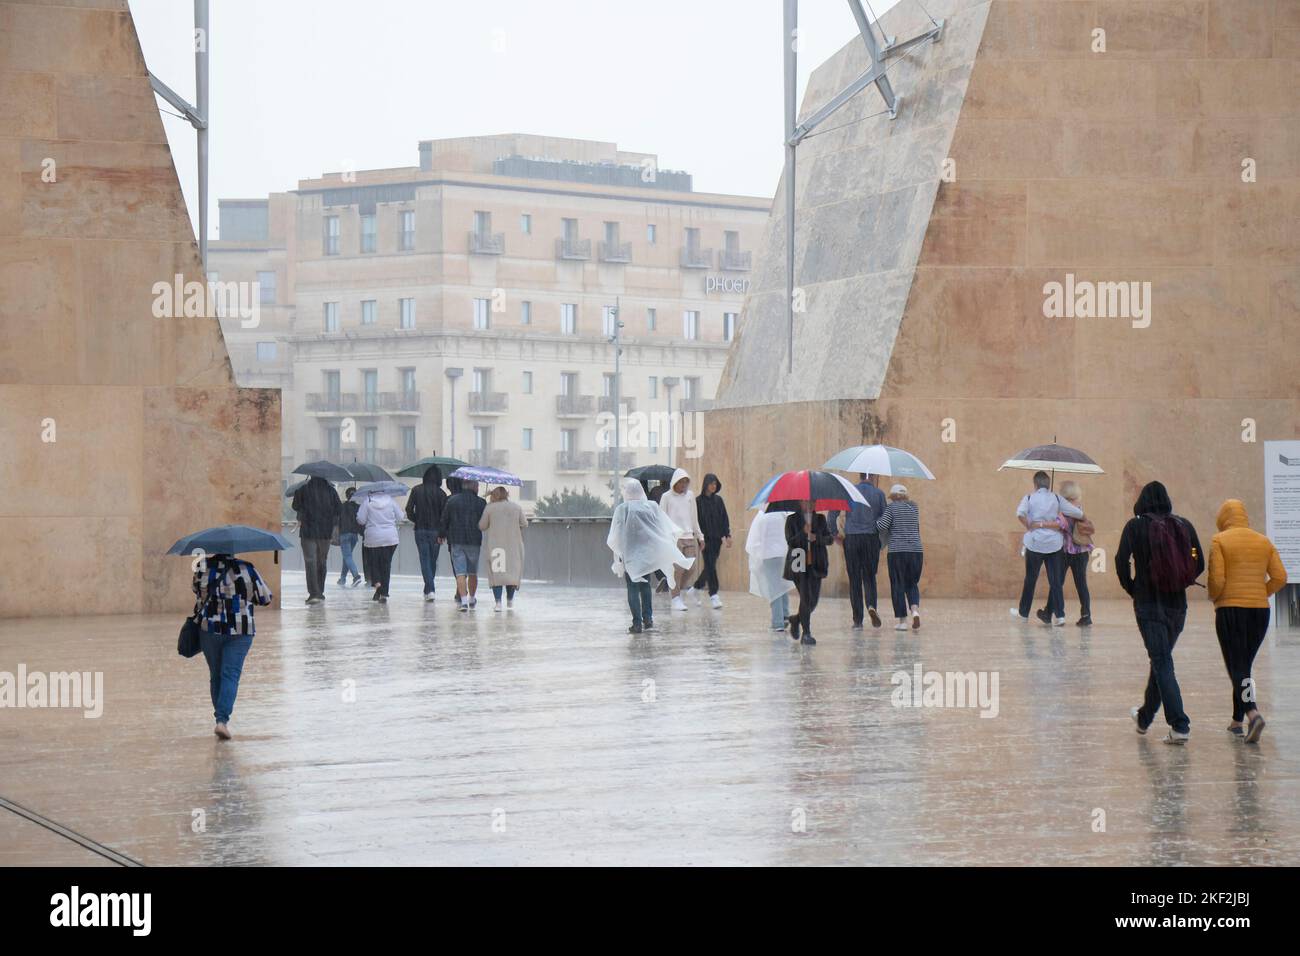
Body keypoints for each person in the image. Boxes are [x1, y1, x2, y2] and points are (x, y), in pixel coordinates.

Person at [1117, 480, 1204, 745]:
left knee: (1162, 661)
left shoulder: (1135, 526)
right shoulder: (1184, 525)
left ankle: (1180, 724)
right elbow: (1198, 560)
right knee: (1161, 659)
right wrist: (1180, 581)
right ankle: (1144, 717)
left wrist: (1133, 587)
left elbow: (1121, 561)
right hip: (1177, 607)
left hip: (1148, 605)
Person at [1207, 498, 1287, 743]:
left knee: (1237, 665)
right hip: (1260, 612)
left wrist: (1214, 595)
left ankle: (1253, 713)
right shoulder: (1263, 541)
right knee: (1243, 665)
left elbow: (1218, 580)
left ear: (1223, 518)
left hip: (1231, 609)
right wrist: (1261, 593)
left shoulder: (1219, 540)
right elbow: (1280, 576)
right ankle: (1236, 721)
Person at [192, 553, 273, 740]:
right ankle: (222, 721)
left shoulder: (201, 568)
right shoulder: (246, 568)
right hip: (240, 630)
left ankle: (220, 719)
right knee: (230, 674)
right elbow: (265, 598)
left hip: (210, 629)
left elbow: (196, 592)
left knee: (216, 675)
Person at [608, 478, 692, 634]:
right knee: (645, 585)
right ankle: (648, 619)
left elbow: (616, 534)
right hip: (646, 553)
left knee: (633, 587)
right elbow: (661, 526)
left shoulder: (622, 509)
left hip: (630, 553)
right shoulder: (651, 507)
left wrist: (618, 556)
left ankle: (636, 623)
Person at [1012, 471, 1082, 626]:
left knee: (1030, 579)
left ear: (1035, 484)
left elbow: (1020, 513)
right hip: (1054, 545)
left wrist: (1028, 525)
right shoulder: (1057, 497)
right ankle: (1060, 616)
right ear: (1048, 484)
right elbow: (1077, 512)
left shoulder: (1029, 497)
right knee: (1056, 581)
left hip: (1035, 543)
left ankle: (1023, 614)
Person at [828, 473, 888, 629]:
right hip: (870, 538)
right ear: (873, 476)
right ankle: (871, 605)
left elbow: (832, 515)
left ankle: (857, 620)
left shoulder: (848, 491)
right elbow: (885, 519)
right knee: (869, 577)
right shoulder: (879, 494)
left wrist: (835, 534)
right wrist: (880, 539)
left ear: (860, 476)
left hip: (852, 539)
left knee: (854, 579)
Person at [1041, 481, 1095, 626]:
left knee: (1057, 583)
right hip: (1082, 552)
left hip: (1064, 552)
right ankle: (1086, 615)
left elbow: (1061, 526)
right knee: (1081, 584)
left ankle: (1048, 612)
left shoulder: (1062, 511)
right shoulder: (1079, 509)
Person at [783, 500, 833, 645]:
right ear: (800, 502)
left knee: (813, 600)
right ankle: (807, 633)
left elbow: (829, 539)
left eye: (813, 502)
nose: (810, 505)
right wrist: (802, 533)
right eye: (806, 502)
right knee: (805, 597)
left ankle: (796, 619)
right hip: (799, 563)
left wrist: (816, 538)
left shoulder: (821, 519)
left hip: (816, 564)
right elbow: (790, 541)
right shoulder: (791, 520)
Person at [877, 484, 924, 631]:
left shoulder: (891, 508)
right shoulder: (914, 507)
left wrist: (876, 519)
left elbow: (881, 526)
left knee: (898, 584)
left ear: (893, 497)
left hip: (898, 551)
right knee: (912, 583)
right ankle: (915, 610)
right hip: (916, 551)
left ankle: (903, 621)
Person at [658, 468, 703, 612]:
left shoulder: (690, 496)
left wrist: (700, 536)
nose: (683, 485)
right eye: (681, 482)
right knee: (677, 569)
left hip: (689, 536)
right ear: (675, 482)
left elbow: (694, 518)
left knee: (691, 567)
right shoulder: (666, 497)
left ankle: (676, 591)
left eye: (686, 482)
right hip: (674, 538)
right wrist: (663, 537)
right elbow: (661, 518)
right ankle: (675, 598)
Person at [291, 475, 340, 604]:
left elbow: (295, 506)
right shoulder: (331, 491)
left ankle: (314, 593)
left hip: (308, 531)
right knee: (322, 561)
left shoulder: (303, 489)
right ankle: (320, 591)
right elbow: (338, 509)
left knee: (310, 561)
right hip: (325, 532)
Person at [479, 485, 527, 611]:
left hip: (496, 546)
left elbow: (482, 526)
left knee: (497, 575)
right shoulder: (516, 507)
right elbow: (524, 523)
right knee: (511, 574)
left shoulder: (490, 508)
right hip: (513, 546)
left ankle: (498, 603)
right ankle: (510, 600)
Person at [441, 478, 487, 611]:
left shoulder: (452, 501)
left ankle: (463, 601)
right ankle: (472, 598)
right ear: (474, 487)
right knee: (472, 572)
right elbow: (485, 522)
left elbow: (445, 519)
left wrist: (441, 534)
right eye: (477, 486)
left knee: (460, 573)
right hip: (474, 541)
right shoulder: (481, 503)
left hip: (457, 540)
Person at [747, 508, 795, 631]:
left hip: (769, 555)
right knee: (782, 585)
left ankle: (777, 622)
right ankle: (785, 616)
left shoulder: (762, 516)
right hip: (783, 554)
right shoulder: (783, 514)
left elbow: (754, 539)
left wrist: (758, 555)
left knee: (774, 588)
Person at [406, 465, 447, 602]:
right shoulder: (442, 494)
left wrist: (416, 519)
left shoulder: (416, 490)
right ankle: (429, 589)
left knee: (424, 559)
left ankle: (429, 589)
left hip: (421, 530)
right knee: (432, 560)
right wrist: (442, 533)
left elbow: (408, 509)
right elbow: (444, 516)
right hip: (436, 532)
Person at [692, 473, 732, 608]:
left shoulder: (718, 500)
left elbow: (724, 518)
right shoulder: (697, 501)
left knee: (710, 565)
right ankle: (713, 594)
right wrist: (699, 537)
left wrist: (727, 535)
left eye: (715, 484)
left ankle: (696, 587)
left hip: (716, 539)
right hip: (704, 539)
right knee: (710, 565)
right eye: (711, 483)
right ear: (705, 484)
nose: (713, 486)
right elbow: (695, 521)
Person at [356, 490, 401, 603]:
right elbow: (400, 516)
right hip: (390, 538)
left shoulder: (367, 501)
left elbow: (361, 520)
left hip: (373, 538)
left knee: (373, 563)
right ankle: (383, 593)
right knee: (386, 564)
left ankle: (378, 586)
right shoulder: (391, 500)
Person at [336, 487, 363, 588]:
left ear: (346, 496)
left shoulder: (342, 506)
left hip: (344, 534)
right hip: (354, 535)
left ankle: (356, 576)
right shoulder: (359, 507)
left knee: (347, 556)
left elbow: (337, 519)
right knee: (347, 557)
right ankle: (342, 579)